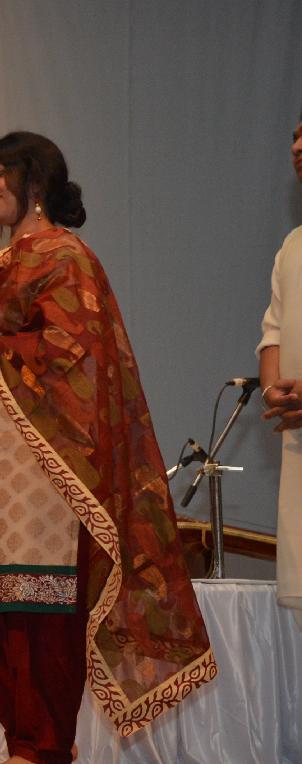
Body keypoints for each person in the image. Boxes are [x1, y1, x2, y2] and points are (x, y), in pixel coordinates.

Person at [0, 131, 215, 763]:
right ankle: (21, 743)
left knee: (40, 606)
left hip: (42, 467)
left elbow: (77, 353)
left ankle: (45, 746)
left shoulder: (66, 256)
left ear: (35, 183)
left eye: (0, 172)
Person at [256, 109, 302, 626]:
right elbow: (274, 333)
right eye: (294, 137)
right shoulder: (292, 246)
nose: (297, 146)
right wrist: (274, 392)